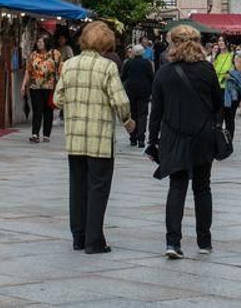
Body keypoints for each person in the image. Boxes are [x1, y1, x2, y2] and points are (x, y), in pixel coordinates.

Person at [55, 21, 133, 254]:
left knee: (77, 187)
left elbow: (58, 99)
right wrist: (128, 121)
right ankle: (94, 240)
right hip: (99, 139)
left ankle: (78, 237)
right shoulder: (107, 67)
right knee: (98, 187)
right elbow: (120, 100)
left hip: (75, 138)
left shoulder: (69, 65)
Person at [147, 24, 223, 259]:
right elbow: (219, 105)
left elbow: (156, 111)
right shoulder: (207, 70)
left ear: (173, 43)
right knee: (202, 187)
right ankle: (204, 241)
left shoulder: (164, 73)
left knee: (177, 187)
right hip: (202, 136)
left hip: (173, 136)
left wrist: (152, 140)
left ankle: (173, 241)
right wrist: (214, 126)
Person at [23, 35, 62, 144]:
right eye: (38, 42)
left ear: (46, 42)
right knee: (37, 110)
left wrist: (60, 85)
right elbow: (28, 71)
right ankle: (35, 134)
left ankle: (46, 134)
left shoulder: (55, 54)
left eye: (41, 42)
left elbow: (60, 70)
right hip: (35, 86)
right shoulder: (33, 55)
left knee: (48, 111)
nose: (39, 44)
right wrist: (23, 85)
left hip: (50, 87)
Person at [121, 44, 155, 148]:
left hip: (131, 90)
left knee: (133, 113)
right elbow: (151, 76)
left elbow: (123, 76)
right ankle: (141, 138)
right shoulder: (147, 63)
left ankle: (133, 137)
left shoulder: (129, 63)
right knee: (143, 114)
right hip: (144, 91)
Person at [212, 38, 241, 138]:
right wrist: (212, 57)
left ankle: (229, 141)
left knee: (229, 118)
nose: (220, 42)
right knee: (217, 119)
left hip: (229, 91)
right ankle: (219, 142)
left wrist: (231, 76)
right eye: (219, 41)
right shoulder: (216, 57)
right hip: (217, 90)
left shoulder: (233, 56)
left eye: (222, 40)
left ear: (226, 43)